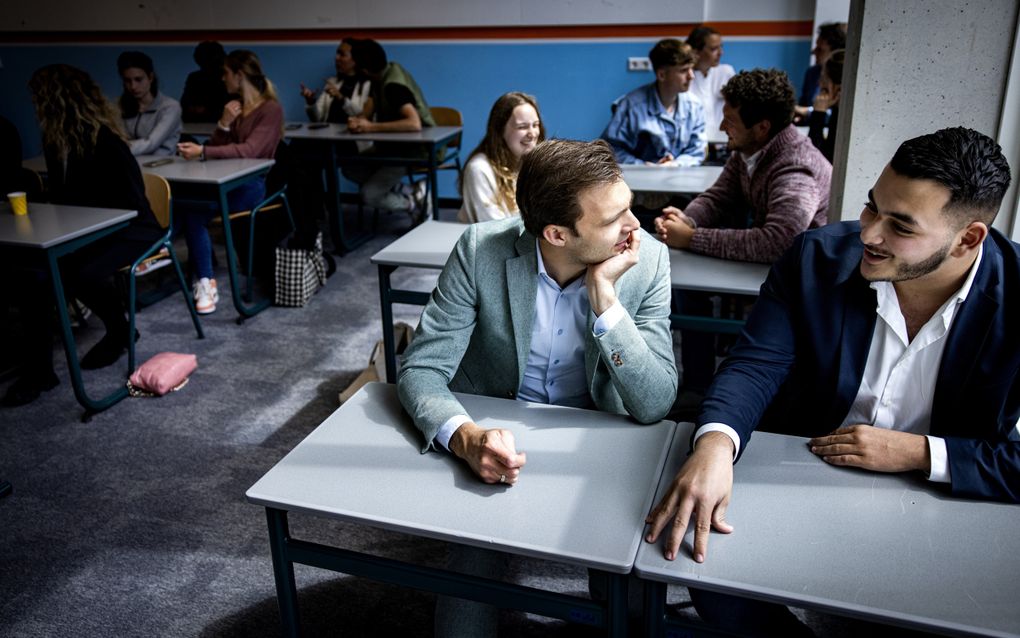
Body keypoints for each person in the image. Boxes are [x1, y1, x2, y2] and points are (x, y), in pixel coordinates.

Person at [646, 127, 1017, 634]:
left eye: (900, 227)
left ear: (968, 239)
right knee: (704, 565)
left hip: (941, 505)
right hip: (806, 475)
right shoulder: (816, 257)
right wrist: (714, 445)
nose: (869, 234)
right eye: (871, 207)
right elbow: (755, 363)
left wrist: (919, 452)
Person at [398, 139, 677, 636]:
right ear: (556, 233)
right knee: (462, 616)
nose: (636, 226)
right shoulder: (480, 249)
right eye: (615, 220)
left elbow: (655, 402)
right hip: (496, 434)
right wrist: (465, 436)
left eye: (630, 208)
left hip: (599, 440)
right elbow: (421, 369)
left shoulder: (648, 260)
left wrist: (606, 304)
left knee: (630, 607)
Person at [654, 68, 830, 402]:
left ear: (761, 127)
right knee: (690, 294)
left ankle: (728, 396)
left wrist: (690, 239)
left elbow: (779, 240)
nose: (721, 128)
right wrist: (687, 220)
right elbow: (719, 197)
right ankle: (697, 388)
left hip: (806, 282)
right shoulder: (748, 151)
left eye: (730, 120)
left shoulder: (796, 167)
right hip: (768, 267)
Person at [3, 64, 162, 407]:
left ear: (58, 102)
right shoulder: (55, 142)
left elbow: (132, 204)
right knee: (34, 275)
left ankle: (119, 331)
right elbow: (67, 201)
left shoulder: (106, 142)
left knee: (77, 273)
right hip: (89, 230)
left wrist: (83, 215)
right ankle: (41, 371)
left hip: (133, 228)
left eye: (39, 100)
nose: (35, 107)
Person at [176, 49, 283, 315]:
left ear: (239, 75)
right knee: (186, 208)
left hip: (252, 187)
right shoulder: (236, 109)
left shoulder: (270, 109)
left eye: (226, 73)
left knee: (193, 214)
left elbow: (249, 150)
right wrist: (223, 125)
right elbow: (217, 148)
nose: (222, 79)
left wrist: (202, 152)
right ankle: (203, 280)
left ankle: (201, 278)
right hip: (226, 183)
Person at [343, 39, 436, 218]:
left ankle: (412, 203)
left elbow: (413, 123)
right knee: (349, 168)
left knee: (368, 195)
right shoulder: (381, 75)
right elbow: (368, 110)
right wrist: (359, 120)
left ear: (363, 70)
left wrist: (370, 128)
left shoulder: (393, 86)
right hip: (391, 147)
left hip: (413, 151)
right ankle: (410, 189)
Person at [602, 38, 706, 167]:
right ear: (662, 75)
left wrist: (676, 164)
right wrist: (643, 166)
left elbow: (697, 151)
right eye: (683, 70)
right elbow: (611, 150)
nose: (691, 76)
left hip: (681, 179)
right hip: (639, 181)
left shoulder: (695, 106)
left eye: (691, 69)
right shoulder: (632, 106)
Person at [457, 91, 545, 223]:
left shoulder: (531, 164)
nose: (532, 134)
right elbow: (494, 229)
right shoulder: (479, 169)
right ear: (500, 130)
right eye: (522, 127)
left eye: (535, 125)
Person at [116, 50, 182, 156]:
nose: (133, 86)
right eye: (127, 81)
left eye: (138, 79)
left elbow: (151, 143)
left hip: (162, 167)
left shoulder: (170, 107)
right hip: (130, 164)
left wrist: (117, 150)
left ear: (150, 77)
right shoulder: (120, 105)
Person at [299, 37, 372, 124]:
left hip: (352, 136)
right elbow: (316, 119)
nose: (336, 58)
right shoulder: (332, 82)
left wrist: (341, 98)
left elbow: (361, 118)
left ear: (355, 60)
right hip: (328, 135)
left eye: (342, 54)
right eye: (337, 54)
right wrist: (311, 102)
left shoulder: (367, 85)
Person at [687, 25, 736, 137]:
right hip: (694, 141)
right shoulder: (686, 76)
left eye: (720, 47)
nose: (720, 53)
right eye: (714, 49)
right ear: (696, 51)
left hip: (722, 141)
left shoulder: (726, 72)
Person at [795, 22, 846, 122]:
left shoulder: (842, 78)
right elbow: (802, 105)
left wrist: (808, 112)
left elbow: (840, 114)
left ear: (835, 52)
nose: (813, 52)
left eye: (820, 49)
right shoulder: (811, 73)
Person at [807, 49, 845, 162]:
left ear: (839, 88)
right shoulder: (838, 111)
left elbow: (816, 158)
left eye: (824, 79)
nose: (820, 83)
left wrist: (818, 113)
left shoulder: (844, 119)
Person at [180, 41, 231, 123]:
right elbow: (184, 108)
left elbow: (231, 109)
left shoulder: (229, 78)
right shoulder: (194, 78)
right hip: (195, 126)